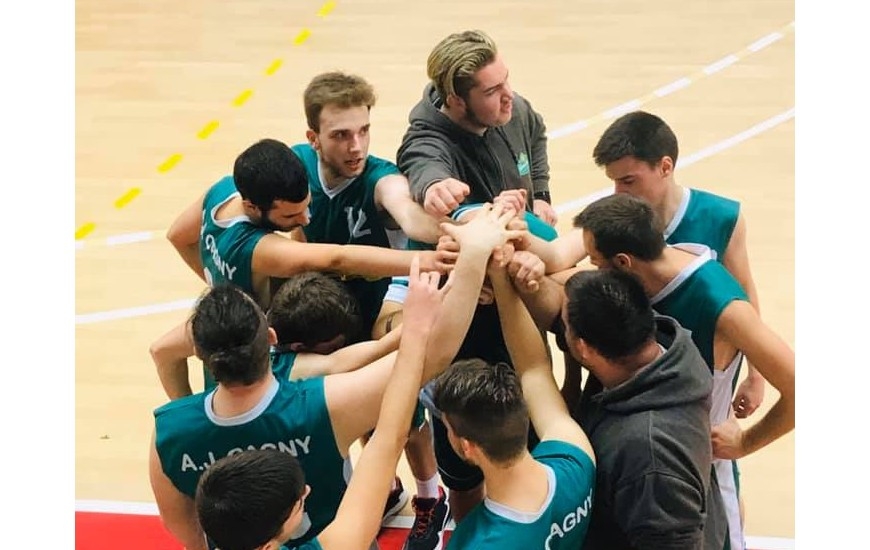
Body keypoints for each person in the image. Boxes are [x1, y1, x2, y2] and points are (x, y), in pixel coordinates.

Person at [149, 203, 523, 550]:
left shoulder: (168, 431)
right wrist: (472, 256)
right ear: (272, 338)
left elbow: (185, 530)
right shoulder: (320, 404)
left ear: (199, 353)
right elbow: (432, 361)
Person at [573, 193, 795, 550]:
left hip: (699, 464)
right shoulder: (651, 265)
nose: (596, 273)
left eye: (598, 264)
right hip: (644, 454)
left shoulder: (721, 304)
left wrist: (745, 442)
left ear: (623, 263)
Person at [150, 137, 451, 400]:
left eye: (307, 205)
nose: (306, 219)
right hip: (251, 373)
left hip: (223, 344)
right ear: (254, 207)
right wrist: (426, 261)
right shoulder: (255, 249)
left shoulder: (222, 192)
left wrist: (216, 283)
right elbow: (338, 258)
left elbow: (178, 235)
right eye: (292, 214)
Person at [289, 71, 450, 545]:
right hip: (328, 314)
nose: (356, 145)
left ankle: (430, 496)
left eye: (363, 130)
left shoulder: (380, 178)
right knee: (352, 412)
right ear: (313, 138)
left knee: (403, 414)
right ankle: (389, 489)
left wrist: (449, 217)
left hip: (382, 305)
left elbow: (407, 211)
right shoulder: (296, 168)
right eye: (341, 135)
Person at [193, 253, 449, 550]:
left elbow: (162, 350)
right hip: (297, 484)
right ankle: (411, 495)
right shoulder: (305, 368)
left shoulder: (225, 349)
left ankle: (411, 495)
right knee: (391, 428)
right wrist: (421, 321)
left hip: (273, 480)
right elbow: (373, 363)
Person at [531, 110, 766, 418]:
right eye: (614, 182)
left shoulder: (721, 217)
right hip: (631, 365)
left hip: (700, 365)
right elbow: (558, 256)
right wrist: (515, 240)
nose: (619, 192)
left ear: (665, 166)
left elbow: (744, 291)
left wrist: (756, 375)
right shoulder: (614, 216)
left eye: (628, 180)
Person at [426, 251, 596, 549]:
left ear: (466, 446)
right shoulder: (576, 460)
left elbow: (534, 369)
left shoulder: (473, 541)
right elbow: (534, 368)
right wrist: (502, 279)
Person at [561, 269, 728, 549]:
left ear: (584, 349)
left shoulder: (649, 457)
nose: (559, 327)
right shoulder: (663, 348)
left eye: (564, 326)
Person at [397, 29, 557, 226]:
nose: (509, 96)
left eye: (505, 80)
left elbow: (536, 134)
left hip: (523, 235)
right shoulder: (427, 141)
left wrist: (541, 194)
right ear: (457, 101)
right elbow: (423, 163)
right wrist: (434, 186)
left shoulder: (513, 110)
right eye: (491, 91)